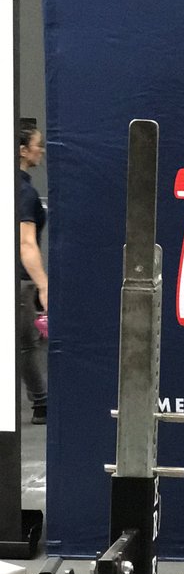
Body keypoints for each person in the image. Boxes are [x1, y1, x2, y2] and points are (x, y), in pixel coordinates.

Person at [18, 126, 48, 426]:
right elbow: (26, 243)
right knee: (27, 344)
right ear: (23, 150)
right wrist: (43, 285)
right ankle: (41, 403)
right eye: (38, 145)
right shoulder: (24, 192)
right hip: (20, 281)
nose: (42, 150)